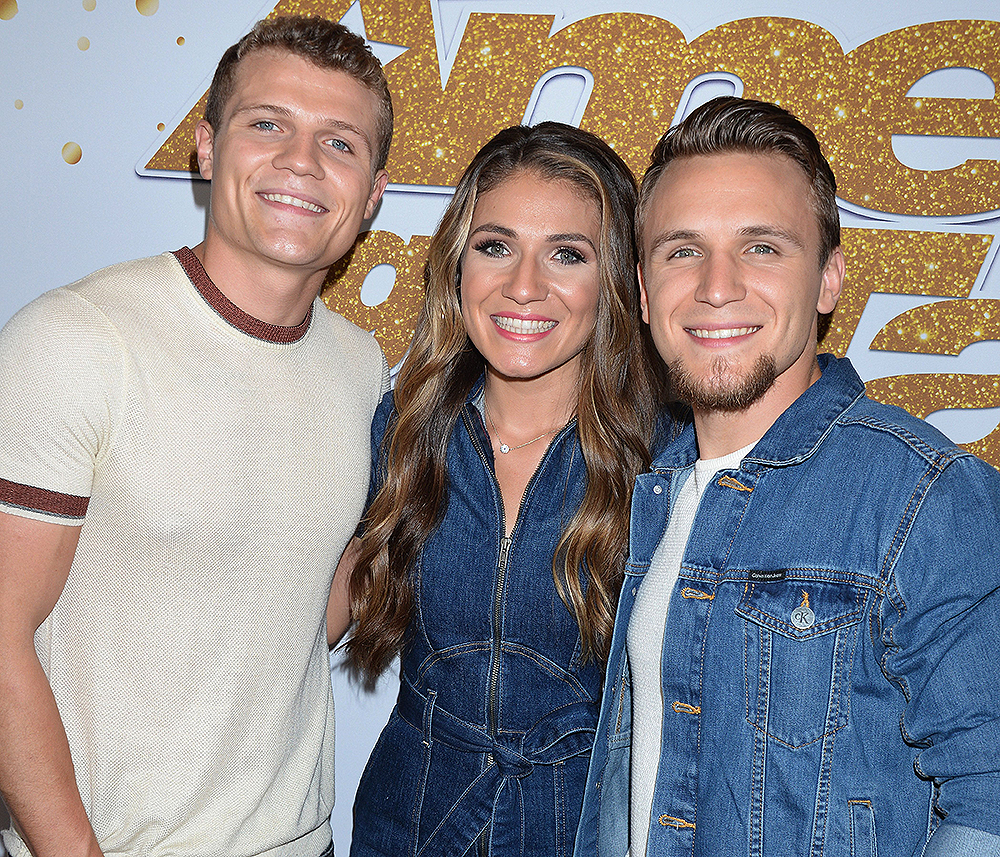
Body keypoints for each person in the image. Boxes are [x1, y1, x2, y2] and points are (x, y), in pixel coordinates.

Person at [0, 15, 392, 857]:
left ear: (372, 195)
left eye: (339, 142)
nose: (300, 161)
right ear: (207, 150)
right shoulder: (77, 338)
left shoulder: (362, 369)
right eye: (267, 124)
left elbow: (292, 616)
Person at [574, 95, 1000, 857]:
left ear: (830, 280)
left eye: (763, 247)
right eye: (682, 250)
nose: (716, 285)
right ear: (642, 291)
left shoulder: (924, 494)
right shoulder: (660, 489)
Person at [339, 121, 671, 857]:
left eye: (567, 254)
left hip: (590, 831)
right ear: (458, 264)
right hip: (409, 822)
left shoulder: (672, 457)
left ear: (616, 280)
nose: (524, 285)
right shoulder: (398, 428)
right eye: (496, 246)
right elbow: (303, 622)